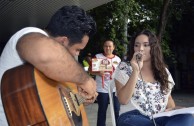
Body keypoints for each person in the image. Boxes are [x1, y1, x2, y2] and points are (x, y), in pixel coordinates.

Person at [0, 5, 98, 126]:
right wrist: (85, 79)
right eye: (78, 49)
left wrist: (78, 100)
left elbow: (50, 103)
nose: (77, 54)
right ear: (63, 41)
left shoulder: (56, 68)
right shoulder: (29, 34)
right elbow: (45, 55)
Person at [114, 29, 194, 126]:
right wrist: (135, 70)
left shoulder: (163, 71)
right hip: (132, 116)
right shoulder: (124, 67)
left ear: (153, 47)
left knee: (187, 119)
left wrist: (177, 110)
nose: (140, 49)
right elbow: (123, 100)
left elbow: (168, 100)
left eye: (146, 45)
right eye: (136, 45)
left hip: (160, 117)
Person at [90, 40, 121, 126]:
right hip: (102, 89)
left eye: (110, 46)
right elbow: (90, 70)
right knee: (102, 110)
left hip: (115, 89)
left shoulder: (117, 59)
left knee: (116, 110)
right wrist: (98, 73)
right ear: (103, 47)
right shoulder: (98, 56)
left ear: (113, 47)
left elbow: (120, 74)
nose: (108, 48)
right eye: (106, 46)